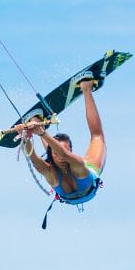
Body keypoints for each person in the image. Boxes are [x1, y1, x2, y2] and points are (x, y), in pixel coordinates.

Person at [15, 77, 105, 207]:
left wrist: (40, 133)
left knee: (97, 136)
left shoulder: (78, 164)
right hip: (73, 193)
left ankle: (86, 89)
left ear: (71, 151)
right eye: (56, 154)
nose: (61, 158)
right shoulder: (50, 173)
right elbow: (33, 158)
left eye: (67, 151)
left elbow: (63, 154)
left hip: (88, 183)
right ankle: (87, 88)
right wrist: (26, 137)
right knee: (97, 136)